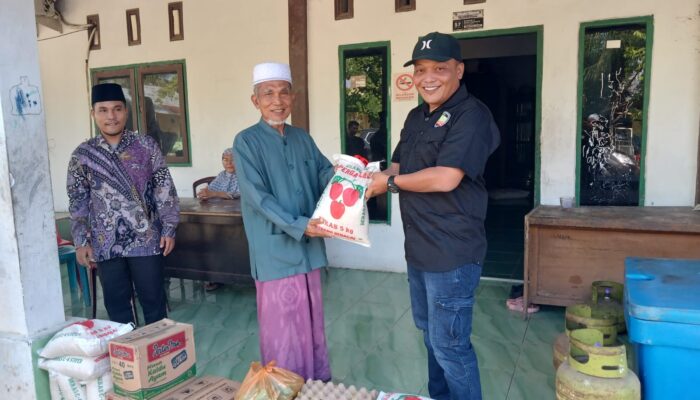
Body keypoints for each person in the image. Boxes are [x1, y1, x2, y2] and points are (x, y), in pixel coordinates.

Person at [368, 32, 500, 400]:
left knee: (451, 348)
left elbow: (446, 177)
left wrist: (388, 184)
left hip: (452, 254)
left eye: (439, 69)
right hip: (421, 250)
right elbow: (396, 165)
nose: (428, 77)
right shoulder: (416, 117)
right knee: (431, 337)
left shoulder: (471, 116)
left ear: (458, 70)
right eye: (421, 69)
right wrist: (359, 180)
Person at [232, 62, 333, 381]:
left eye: (284, 92)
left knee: (313, 325)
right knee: (283, 332)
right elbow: (257, 197)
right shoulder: (245, 142)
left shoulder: (302, 137)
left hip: (309, 249)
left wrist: (353, 180)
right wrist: (300, 224)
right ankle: (284, 388)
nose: (278, 100)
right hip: (274, 251)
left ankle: (315, 386)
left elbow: (324, 173)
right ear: (255, 101)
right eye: (268, 93)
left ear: (293, 97)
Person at [67, 82, 179, 325]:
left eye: (117, 109)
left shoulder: (146, 146)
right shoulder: (83, 154)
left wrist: (169, 227)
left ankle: (157, 358)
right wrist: (80, 241)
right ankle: (127, 360)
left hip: (146, 240)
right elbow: (78, 200)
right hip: (105, 244)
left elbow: (164, 187)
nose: (111, 116)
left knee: (154, 303)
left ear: (126, 111)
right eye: (103, 110)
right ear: (93, 113)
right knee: (117, 308)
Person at [197, 147, 240, 292]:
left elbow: (236, 194)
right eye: (225, 159)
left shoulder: (244, 174)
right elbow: (211, 190)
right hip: (219, 216)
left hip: (238, 218)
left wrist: (214, 193)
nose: (229, 162)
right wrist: (204, 193)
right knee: (213, 241)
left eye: (232, 159)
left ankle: (237, 274)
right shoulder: (221, 175)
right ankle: (217, 276)